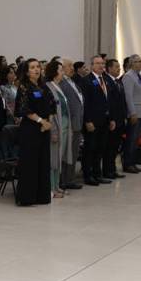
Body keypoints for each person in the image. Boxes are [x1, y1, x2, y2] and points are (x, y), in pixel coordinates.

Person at [14, 58, 54, 205]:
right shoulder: (24, 87)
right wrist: (41, 121)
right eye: (32, 67)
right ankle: (27, 198)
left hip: (44, 128)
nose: (36, 69)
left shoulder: (44, 86)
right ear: (26, 71)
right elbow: (24, 109)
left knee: (43, 162)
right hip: (30, 129)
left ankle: (41, 196)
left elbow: (52, 104)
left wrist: (47, 122)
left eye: (38, 67)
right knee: (30, 163)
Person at [81, 55, 112, 186]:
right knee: (90, 148)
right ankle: (88, 175)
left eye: (102, 63)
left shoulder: (105, 79)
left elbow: (108, 101)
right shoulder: (87, 80)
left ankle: (97, 174)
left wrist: (111, 119)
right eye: (98, 63)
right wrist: (87, 121)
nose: (101, 66)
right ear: (92, 65)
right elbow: (85, 103)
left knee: (100, 148)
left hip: (104, 120)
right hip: (92, 122)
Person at [46, 60, 71, 199]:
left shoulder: (58, 86)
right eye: (61, 70)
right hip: (56, 127)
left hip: (64, 127)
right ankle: (51, 188)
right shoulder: (48, 87)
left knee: (58, 158)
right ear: (54, 72)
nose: (63, 72)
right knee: (53, 160)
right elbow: (50, 112)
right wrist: (53, 130)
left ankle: (56, 186)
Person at [58, 59, 84, 190]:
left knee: (73, 153)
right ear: (62, 68)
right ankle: (64, 180)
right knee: (66, 154)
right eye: (69, 66)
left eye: (72, 66)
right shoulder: (61, 83)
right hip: (68, 124)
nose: (72, 68)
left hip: (77, 122)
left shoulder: (71, 81)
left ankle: (70, 179)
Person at [121, 55, 141, 174]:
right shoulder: (128, 76)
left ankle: (133, 162)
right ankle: (127, 164)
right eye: (138, 61)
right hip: (135, 113)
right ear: (131, 63)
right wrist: (132, 113)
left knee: (136, 139)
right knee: (131, 139)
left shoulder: (138, 75)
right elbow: (128, 97)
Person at [104, 59, 127, 178]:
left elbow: (122, 101)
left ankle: (112, 169)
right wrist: (111, 119)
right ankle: (107, 170)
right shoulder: (106, 81)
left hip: (120, 118)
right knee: (110, 146)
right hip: (112, 119)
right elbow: (109, 103)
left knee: (115, 146)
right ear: (109, 68)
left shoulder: (118, 81)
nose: (119, 69)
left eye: (119, 67)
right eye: (116, 67)